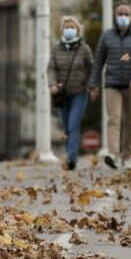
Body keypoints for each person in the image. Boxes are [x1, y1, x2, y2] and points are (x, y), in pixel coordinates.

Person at [88, 1, 131, 169]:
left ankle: (126, 156)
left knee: (129, 122)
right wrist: (93, 84)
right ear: (115, 16)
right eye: (120, 14)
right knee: (114, 119)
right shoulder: (107, 36)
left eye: (126, 14)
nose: (123, 17)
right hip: (112, 84)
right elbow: (98, 62)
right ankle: (113, 154)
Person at [48, 16, 94, 171]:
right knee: (67, 127)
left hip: (79, 92)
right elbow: (51, 68)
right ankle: (70, 154)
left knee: (73, 124)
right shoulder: (56, 49)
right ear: (62, 30)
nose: (69, 30)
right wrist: (52, 84)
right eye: (67, 27)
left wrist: (91, 85)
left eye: (72, 27)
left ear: (78, 30)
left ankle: (72, 158)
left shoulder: (84, 49)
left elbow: (91, 69)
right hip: (62, 94)